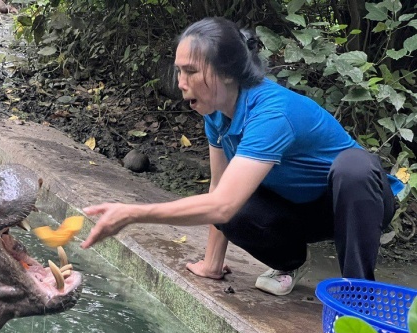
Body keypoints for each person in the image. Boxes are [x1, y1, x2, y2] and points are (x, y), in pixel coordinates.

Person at [80, 17, 403, 295]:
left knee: (354, 166)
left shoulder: (273, 112)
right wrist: (211, 264)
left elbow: (221, 203)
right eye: (178, 71)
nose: (181, 83)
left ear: (228, 73)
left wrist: (132, 213)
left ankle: (358, 294)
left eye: (191, 71)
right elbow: (219, 194)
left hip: (357, 204)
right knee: (232, 211)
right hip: (299, 212)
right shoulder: (216, 115)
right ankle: (288, 265)